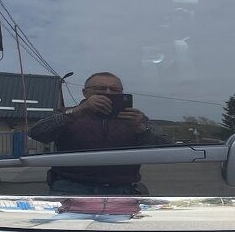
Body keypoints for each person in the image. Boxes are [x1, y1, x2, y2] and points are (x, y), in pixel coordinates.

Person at [27, 72, 170, 195]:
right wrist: (76, 113)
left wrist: (141, 128)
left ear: (122, 93)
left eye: (114, 89)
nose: (108, 92)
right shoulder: (68, 114)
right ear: (85, 93)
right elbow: (36, 133)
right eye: (100, 88)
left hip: (122, 189)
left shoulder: (135, 118)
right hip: (71, 186)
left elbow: (166, 148)